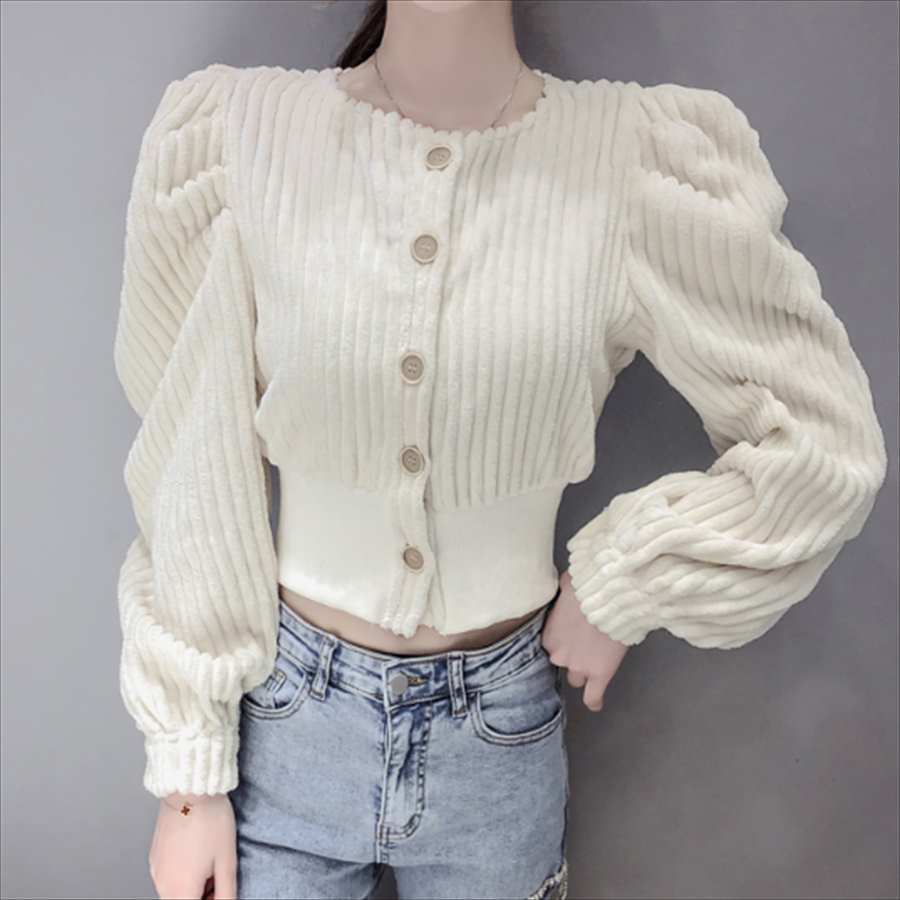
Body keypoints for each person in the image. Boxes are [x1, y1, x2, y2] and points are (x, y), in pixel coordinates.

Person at [111, 1, 888, 898]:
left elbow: (820, 443)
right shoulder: (240, 137)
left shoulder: (629, 160)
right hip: (283, 735)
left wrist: (625, 580)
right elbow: (190, 465)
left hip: (499, 741)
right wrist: (189, 772)